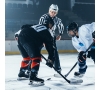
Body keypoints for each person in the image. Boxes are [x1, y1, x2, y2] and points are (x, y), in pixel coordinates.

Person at [16, 18, 56, 82]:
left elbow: (23, 27)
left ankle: (22, 73)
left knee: (27, 58)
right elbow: (50, 45)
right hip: (28, 38)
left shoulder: (36, 26)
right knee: (36, 57)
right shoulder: (46, 31)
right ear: (50, 25)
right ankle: (33, 77)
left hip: (20, 37)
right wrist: (51, 58)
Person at [39, 4, 64, 73]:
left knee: (54, 53)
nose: (53, 14)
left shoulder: (57, 19)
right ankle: (29, 69)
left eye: (55, 13)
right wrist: (42, 40)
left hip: (51, 38)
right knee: (35, 51)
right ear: (49, 11)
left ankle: (58, 68)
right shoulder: (43, 18)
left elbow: (61, 26)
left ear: (57, 13)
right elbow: (40, 28)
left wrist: (60, 34)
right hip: (42, 37)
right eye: (52, 12)